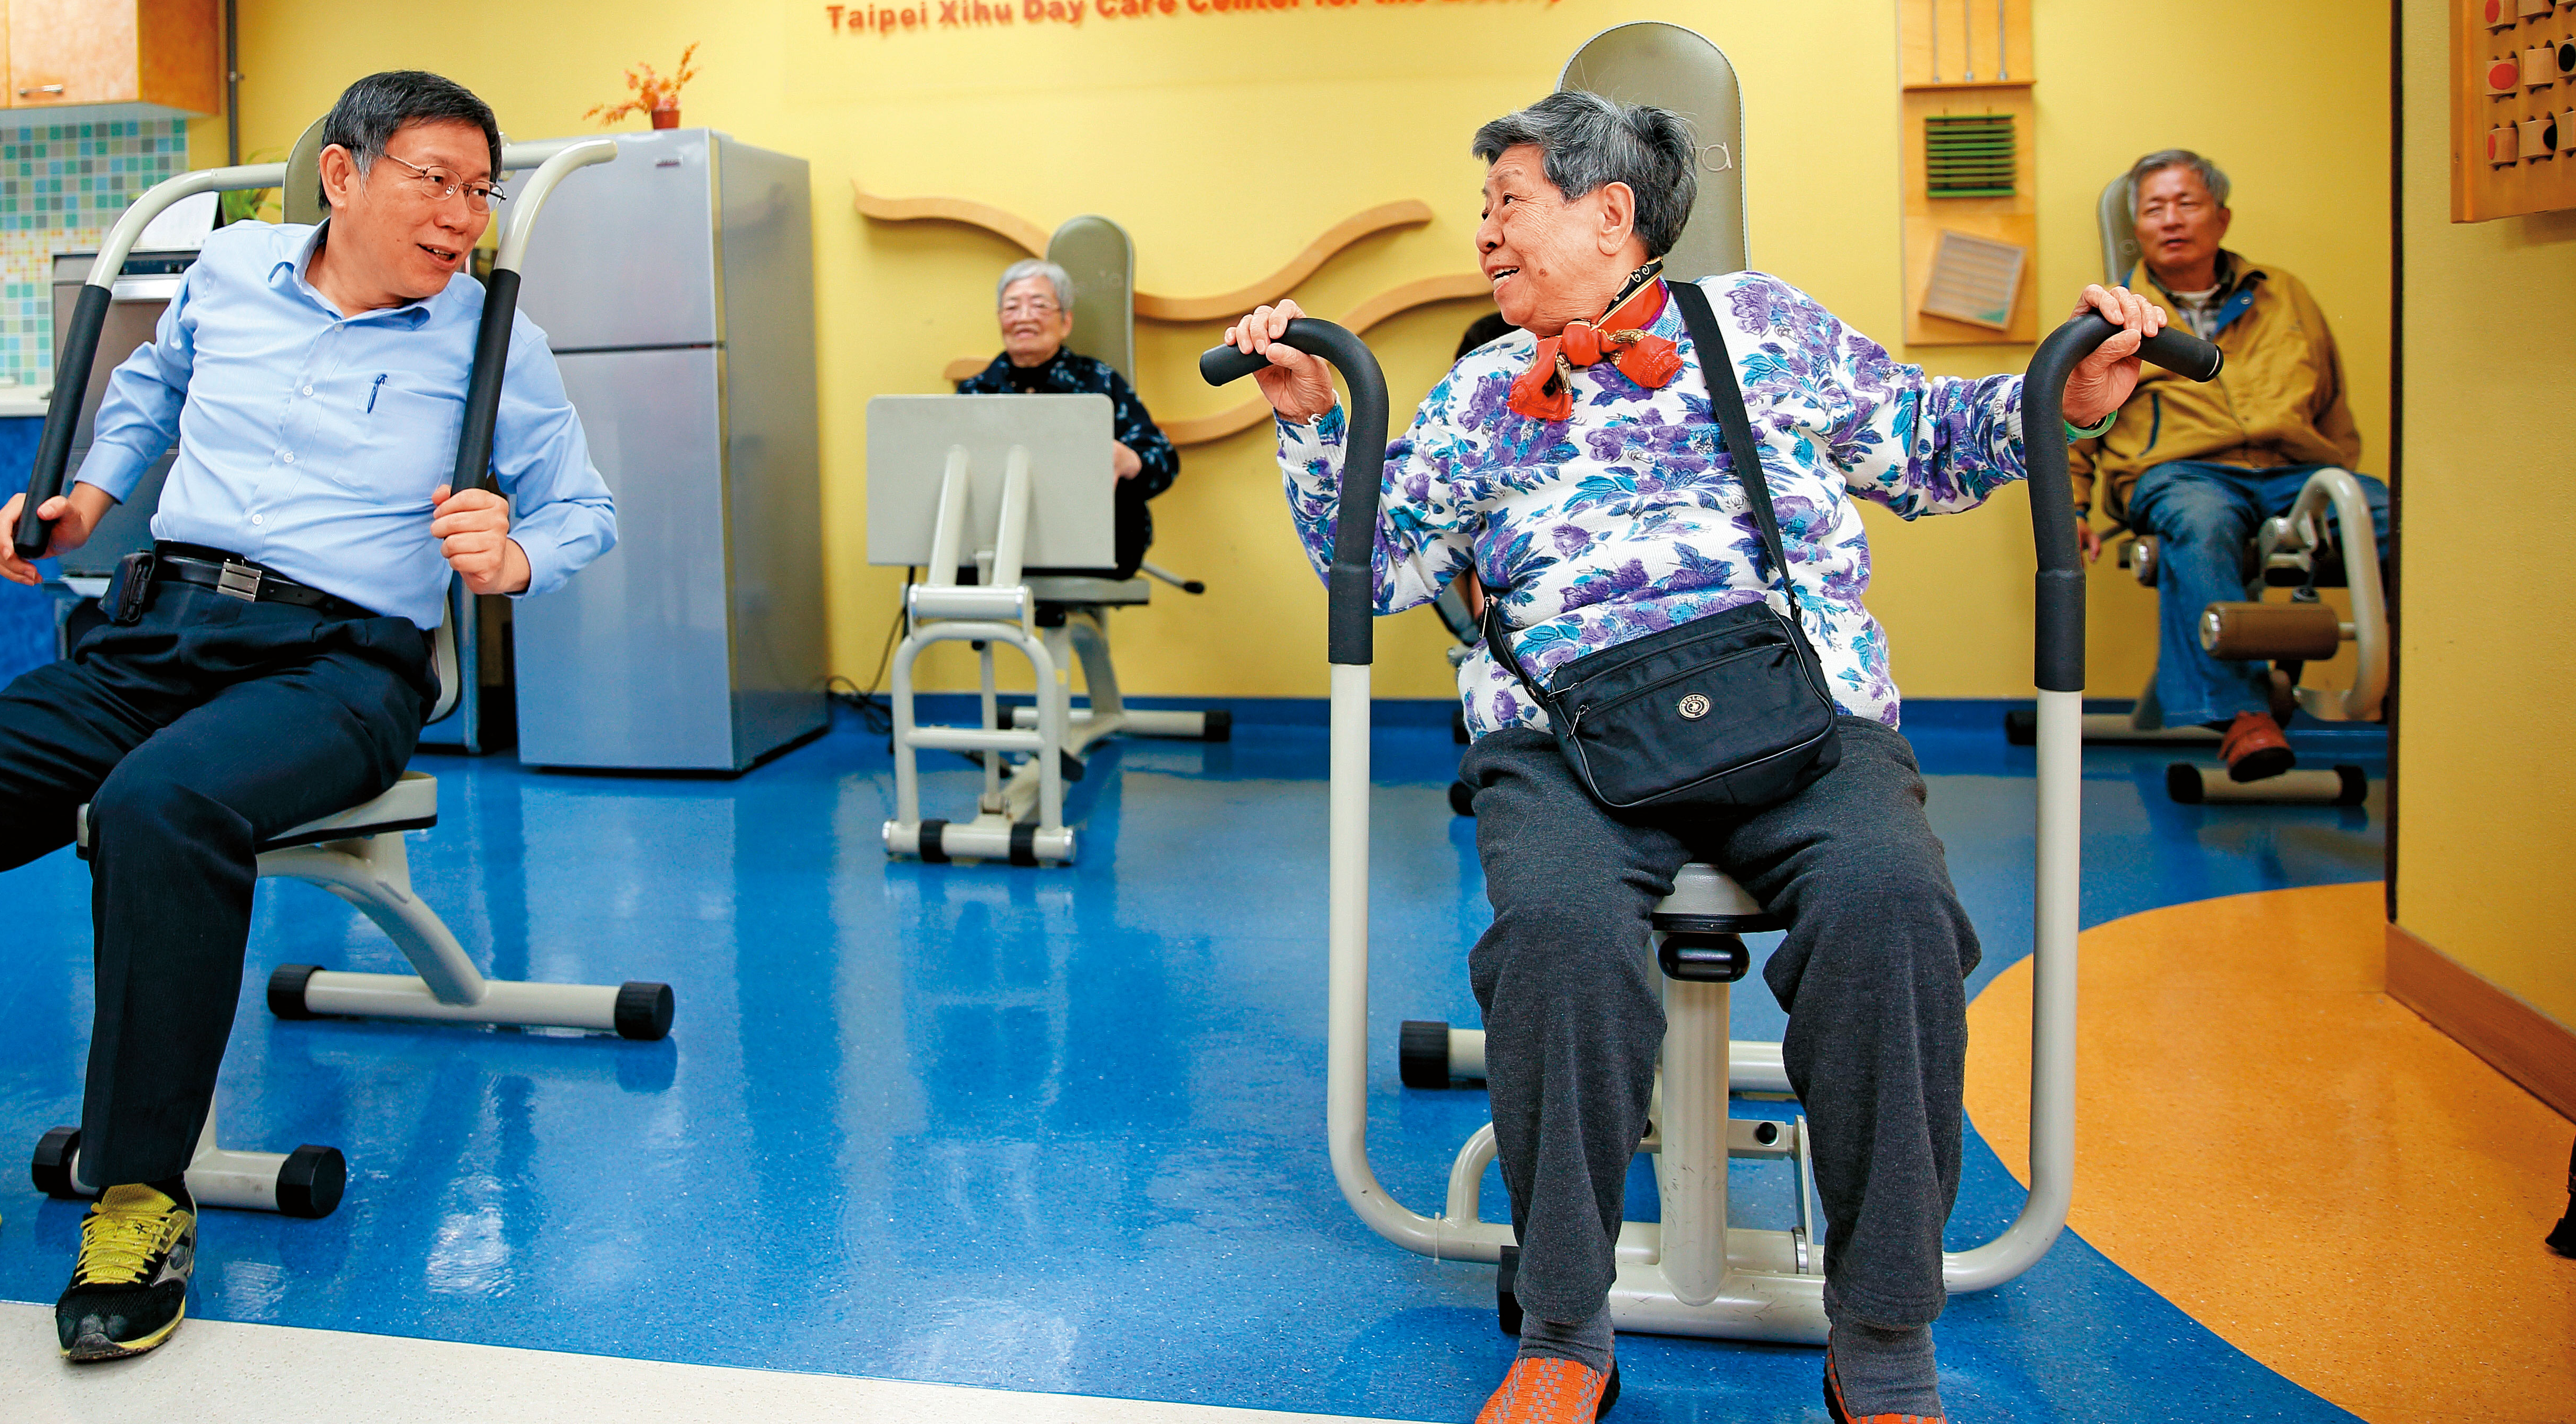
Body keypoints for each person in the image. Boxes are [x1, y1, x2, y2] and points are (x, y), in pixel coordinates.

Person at [1223, 89, 2165, 1424]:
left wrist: (2057, 400)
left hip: (1800, 717)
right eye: (1483, 209)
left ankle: (1883, 1330)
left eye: (1506, 203)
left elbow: (1924, 443)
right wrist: (1316, 420)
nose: (1483, 233)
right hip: (1564, 739)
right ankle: (1563, 1325)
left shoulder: (1761, 326)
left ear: (1609, 214)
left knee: (1892, 912)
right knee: (1555, 938)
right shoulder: (1484, 388)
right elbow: (1373, 569)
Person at [0, 71, 616, 1364]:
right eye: (436, 180)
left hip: (340, 665)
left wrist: (515, 553)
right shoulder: (235, 271)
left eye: (480, 192)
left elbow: (583, 508)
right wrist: (85, 499)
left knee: (161, 803)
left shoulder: (489, 336)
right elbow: (150, 384)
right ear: (343, 174)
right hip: (154, 638)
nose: (462, 216)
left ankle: (141, 1192)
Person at [2069, 149, 2389, 782]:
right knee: (2200, 520)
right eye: (2154, 209)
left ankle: (2418, 687)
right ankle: (2243, 717)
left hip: (2294, 469)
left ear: (2221, 217)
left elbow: (2331, 402)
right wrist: (2072, 509)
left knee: (2388, 519)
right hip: (2181, 472)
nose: (2171, 220)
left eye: (2187, 203)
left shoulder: (2284, 293)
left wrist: (2337, 480)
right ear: (2138, 228)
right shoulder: (2116, 312)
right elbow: (2075, 417)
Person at [954, 257, 1176, 580]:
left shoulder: (1100, 383)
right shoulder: (976, 392)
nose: (1024, 317)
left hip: (1092, 549)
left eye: (1039, 306)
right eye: (1012, 307)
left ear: (1066, 322)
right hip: (992, 550)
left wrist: (1130, 461)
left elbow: (1165, 461)